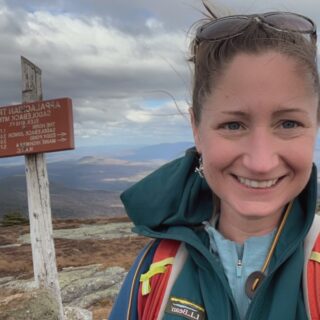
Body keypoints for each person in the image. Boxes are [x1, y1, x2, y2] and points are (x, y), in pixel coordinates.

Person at [110, 2, 320, 319]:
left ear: (316, 124)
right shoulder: (154, 273)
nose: (261, 162)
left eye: (288, 124)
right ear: (196, 129)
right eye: (233, 125)